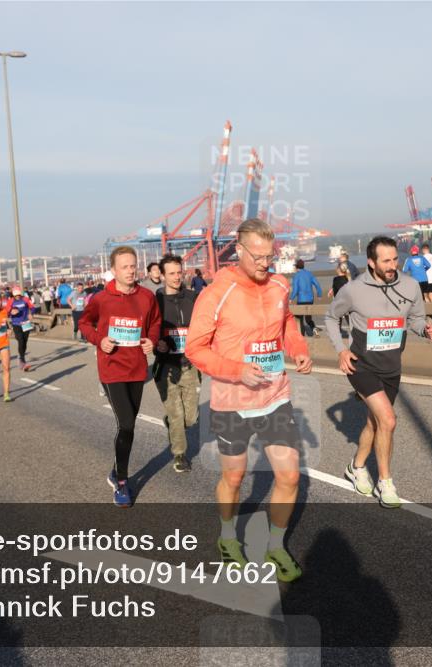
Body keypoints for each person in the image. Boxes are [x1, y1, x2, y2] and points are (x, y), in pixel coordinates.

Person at [185, 218, 312, 582]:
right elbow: (195, 349)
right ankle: (228, 537)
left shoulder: (278, 285)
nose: (264, 263)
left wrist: (298, 348)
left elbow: (286, 321)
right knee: (235, 476)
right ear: (237, 250)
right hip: (231, 401)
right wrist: (236, 370)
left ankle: (275, 546)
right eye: (257, 256)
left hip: (274, 396)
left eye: (269, 256)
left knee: (289, 477)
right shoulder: (216, 293)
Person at [324, 236, 432, 508]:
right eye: (386, 261)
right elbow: (331, 317)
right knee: (388, 420)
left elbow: (416, 319)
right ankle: (385, 482)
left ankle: (356, 466)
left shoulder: (410, 285)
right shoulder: (353, 290)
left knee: (374, 423)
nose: (392, 265)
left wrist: (425, 329)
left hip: (391, 365)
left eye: (395, 259)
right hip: (361, 363)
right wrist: (341, 349)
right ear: (371, 262)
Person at [80, 246, 161, 507]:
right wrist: (99, 339)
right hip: (111, 368)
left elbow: (155, 323)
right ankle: (122, 482)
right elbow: (84, 323)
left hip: (137, 368)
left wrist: (152, 341)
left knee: (130, 425)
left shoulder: (147, 296)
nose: (130, 270)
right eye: (124, 266)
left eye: (133, 265)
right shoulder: (102, 299)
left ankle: (116, 468)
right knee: (125, 424)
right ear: (113, 270)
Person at [154, 254, 199, 473]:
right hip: (165, 367)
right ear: (162, 276)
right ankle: (179, 455)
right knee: (177, 414)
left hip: (190, 365)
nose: (176, 277)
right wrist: (157, 344)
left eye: (179, 272)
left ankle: (173, 424)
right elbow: (146, 332)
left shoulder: (193, 298)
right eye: (171, 273)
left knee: (191, 418)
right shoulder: (155, 302)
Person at [4, 284, 35, 372]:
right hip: (16, 324)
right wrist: (11, 312)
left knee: (25, 342)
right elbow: (6, 313)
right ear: (13, 295)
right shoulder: (10, 301)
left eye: (18, 295)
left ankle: (21, 356)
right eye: (15, 295)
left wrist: (31, 314)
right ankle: (22, 360)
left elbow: (32, 308)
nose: (17, 296)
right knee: (20, 340)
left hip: (26, 323)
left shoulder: (25, 299)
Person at [291, 259, 323, 337]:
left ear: (296, 267)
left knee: (299, 318)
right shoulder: (309, 274)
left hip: (301, 300)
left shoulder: (296, 276)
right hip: (310, 299)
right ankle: (314, 329)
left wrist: (291, 298)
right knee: (308, 319)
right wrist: (319, 294)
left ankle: (301, 335)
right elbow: (317, 285)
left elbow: (295, 290)